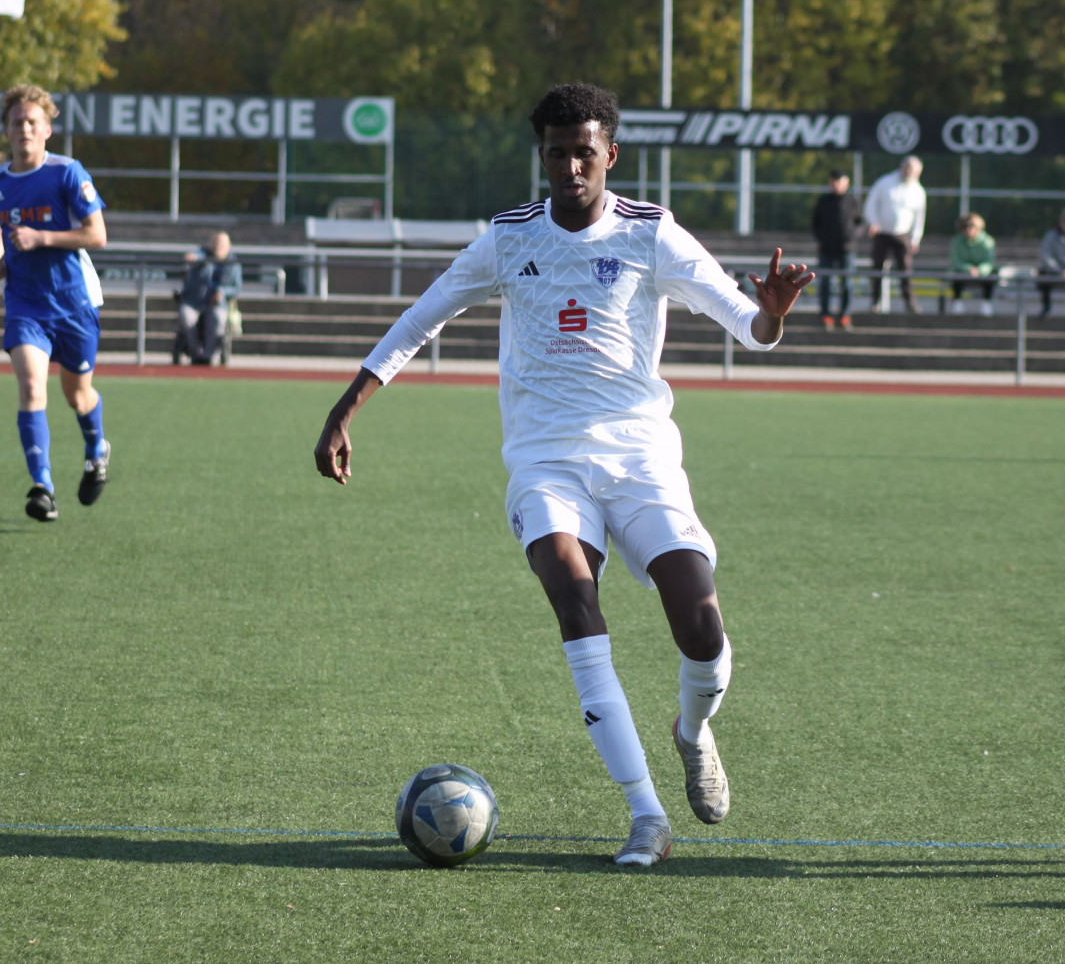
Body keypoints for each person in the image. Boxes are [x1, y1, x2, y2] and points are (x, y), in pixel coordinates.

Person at [313, 84, 813, 869]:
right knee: (576, 601)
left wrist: (774, 311)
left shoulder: (653, 233)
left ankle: (691, 729)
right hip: (545, 461)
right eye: (558, 152)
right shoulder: (509, 238)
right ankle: (647, 815)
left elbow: (748, 327)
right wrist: (346, 408)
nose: (572, 165)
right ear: (542, 155)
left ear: (611, 154)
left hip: (641, 457)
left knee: (702, 622)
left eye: (586, 151)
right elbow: (423, 318)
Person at [0, 84, 111, 522]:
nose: (24, 129)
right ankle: (43, 487)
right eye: (17, 122)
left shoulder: (68, 173)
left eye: (32, 122)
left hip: (73, 302)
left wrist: (42, 238)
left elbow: (97, 235)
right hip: (25, 303)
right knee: (32, 388)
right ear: (6, 130)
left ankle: (97, 449)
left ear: (48, 130)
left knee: (77, 396)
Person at [864, 155, 926, 315]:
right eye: (908, 169)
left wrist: (915, 238)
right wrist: (873, 222)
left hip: (902, 235)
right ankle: (875, 302)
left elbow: (919, 217)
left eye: (914, 171)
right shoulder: (885, 183)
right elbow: (870, 203)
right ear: (902, 167)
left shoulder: (918, 191)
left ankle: (909, 302)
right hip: (882, 233)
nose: (909, 173)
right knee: (877, 269)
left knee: (905, 270)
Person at [175, 230, 242, 365]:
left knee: (217, 319)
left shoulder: (233, 263)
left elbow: (236, 288)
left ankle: (208, 355)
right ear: (210, 244)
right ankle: (195, 353)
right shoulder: (203, 255)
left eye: (221, 243)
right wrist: (193, 258)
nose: (218, 246)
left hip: (217, 304)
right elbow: (196, 256)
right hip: (195, 302)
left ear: (228, 246)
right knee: (186, 317)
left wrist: (222, 292)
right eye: (215, 242)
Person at [810, 169, 861, 329]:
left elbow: (861, 223)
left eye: (840, 180)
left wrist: (852, 237)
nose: (836, 184)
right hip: (826, 248)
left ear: (847, 182)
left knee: (847, 283)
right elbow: (815, 222)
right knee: (824, 282)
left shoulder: (853, 201)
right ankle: (825, 315)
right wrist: (822, 237)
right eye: (834, 180)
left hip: (846, 248)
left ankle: (845, 315)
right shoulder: (824, 200)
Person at [946, 213, 996, 315]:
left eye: (972, 226)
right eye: (965, 226)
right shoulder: (957, 242)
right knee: (955, 276)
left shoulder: (987, 241)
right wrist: (968, 269)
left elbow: (989, 262)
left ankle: (987, 304)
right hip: (963, 272)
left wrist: (979, 270)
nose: (969, 229)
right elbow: (956, 261)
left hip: (982, 273)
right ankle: (957, 303)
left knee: (992, 276)